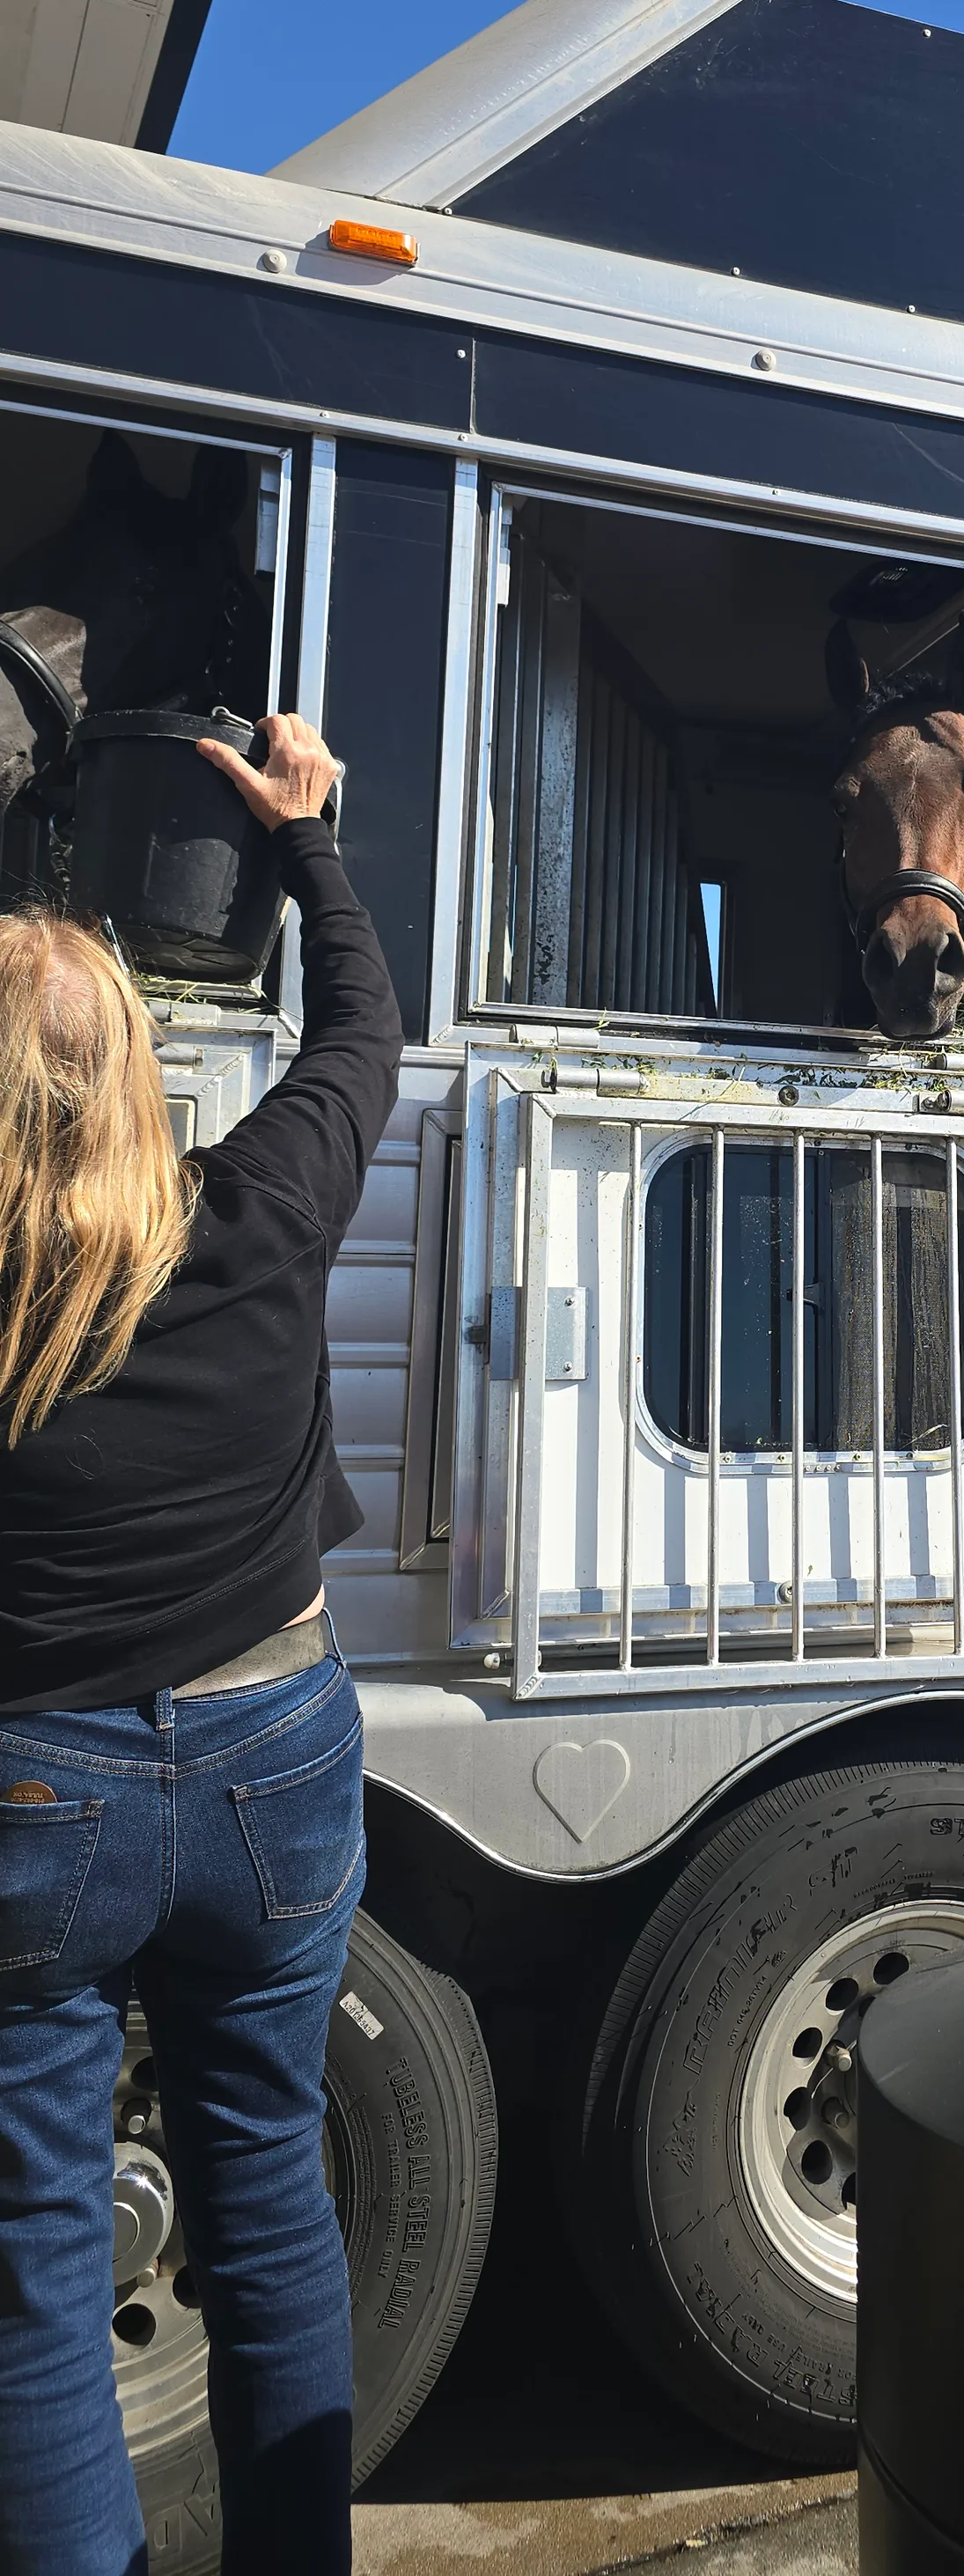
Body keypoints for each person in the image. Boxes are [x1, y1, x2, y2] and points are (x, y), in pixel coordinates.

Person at [0, 715, 401, 2576]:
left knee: (36, 2277)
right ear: (145, 1079)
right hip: (273, 1765)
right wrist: (306, 837)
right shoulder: (259, 1216)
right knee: (269, 2198)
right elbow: (359, 1036)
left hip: (35, 1793)